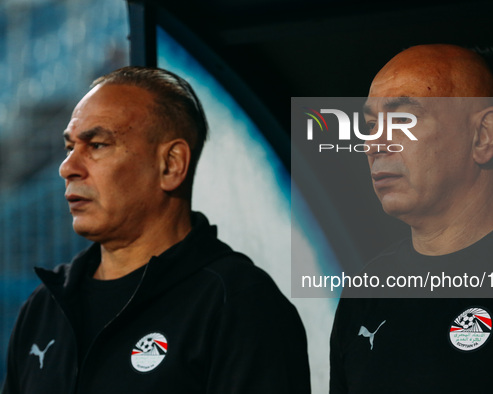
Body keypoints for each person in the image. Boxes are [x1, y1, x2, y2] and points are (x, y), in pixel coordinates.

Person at [3, 66, 310, 393]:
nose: (68, 167)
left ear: (171, 164)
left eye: (97, 145)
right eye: (69, 148)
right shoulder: (43, 308)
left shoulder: (239, 303)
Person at [330, 44, 493, 392]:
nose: (374, 143)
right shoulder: (365, 291)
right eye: (371, 124)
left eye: (402, 121)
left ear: (483, 136)